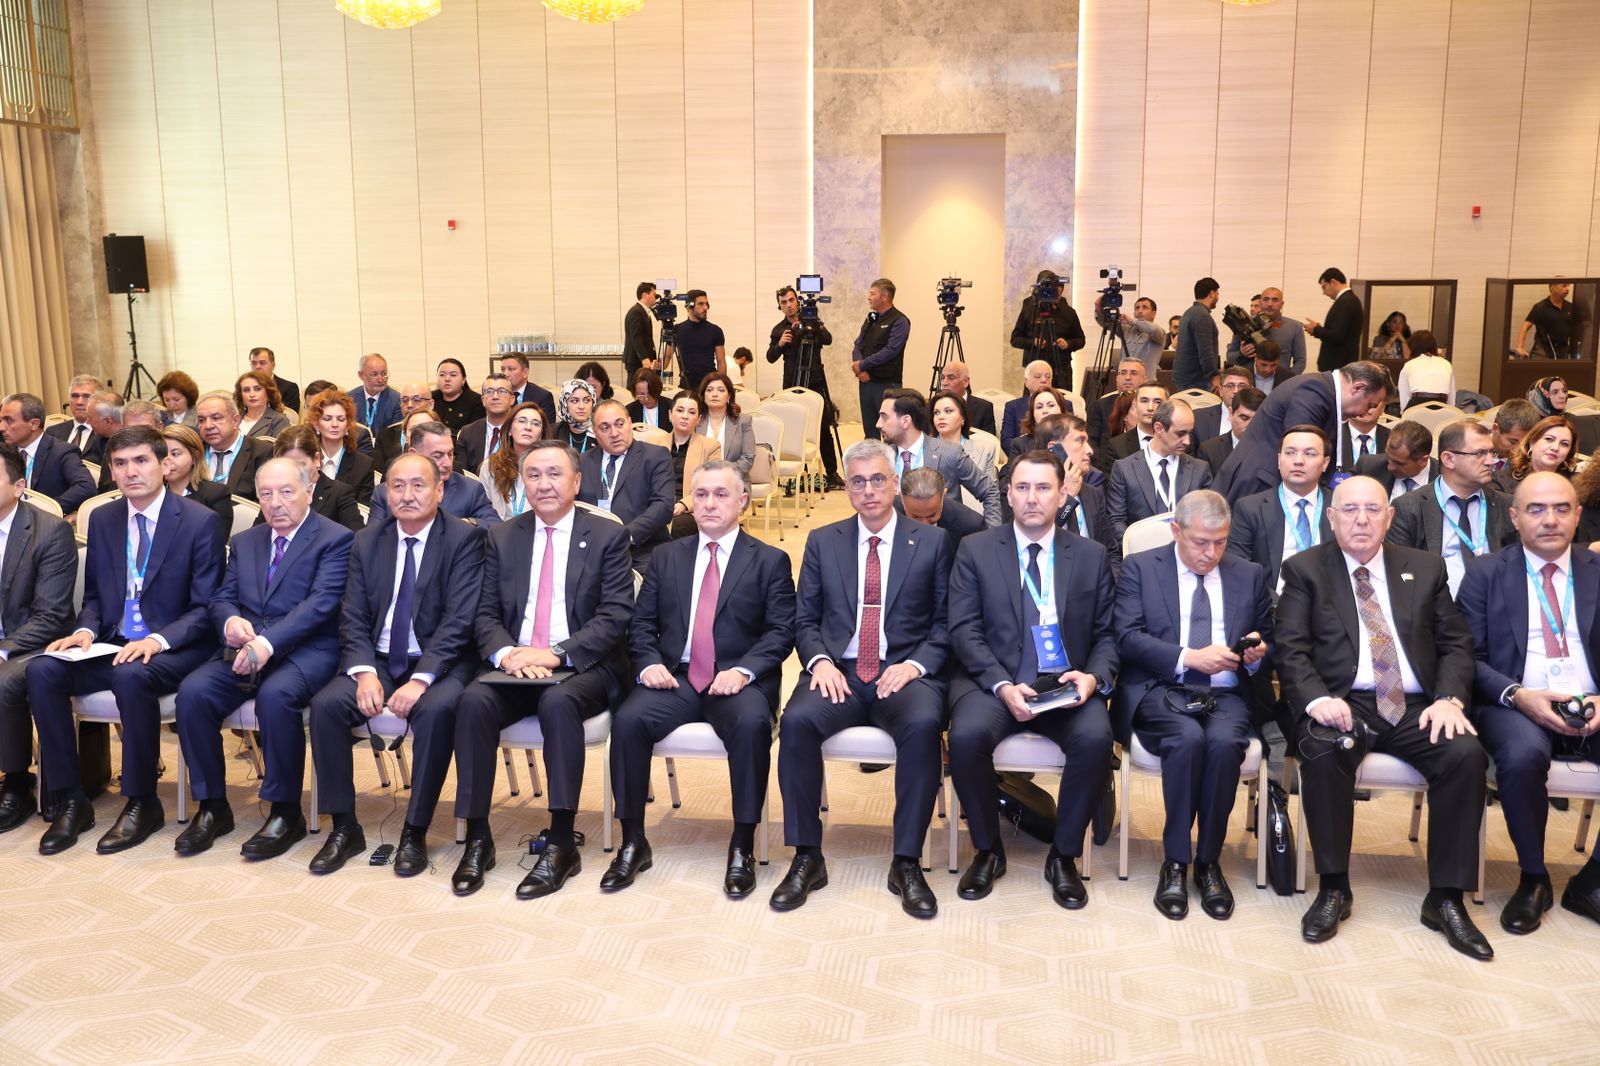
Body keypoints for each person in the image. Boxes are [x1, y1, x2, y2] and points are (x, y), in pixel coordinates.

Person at [1276, 475, 1491, 959]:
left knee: (1465, 755)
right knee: (1325, 750)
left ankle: (1446, 897)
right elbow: (1290, 649)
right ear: (1330, 517)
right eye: (1349, 510)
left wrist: (1449, 700)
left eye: (1373, 509)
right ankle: (1334, 886)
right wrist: (1315, 700)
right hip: (1343, 700)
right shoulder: (1305, 569)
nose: (1361, 519)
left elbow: (1457, 644)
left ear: (1389, 516)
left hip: (1418, 706)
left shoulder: (1425, 567)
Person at [25, 427, 223, 855]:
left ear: (164, 465)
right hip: (115, 642)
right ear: (111, 471)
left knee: (131, 675)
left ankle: (141, 800)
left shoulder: (199, 521)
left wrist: (157, 639)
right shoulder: (105, 518)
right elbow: (95, 595)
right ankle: (70, 799)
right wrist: (85, 631)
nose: (131, 471)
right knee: (42, 669)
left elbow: (205, 608)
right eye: (120, 463)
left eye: (141, 461)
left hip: (175, 648)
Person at [774, 440, 951, 917]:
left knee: (921, 727)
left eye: (878, 480)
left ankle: (907, 860)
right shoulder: (822, 540)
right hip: (842, 670)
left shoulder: (932, 542)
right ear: (847, 488)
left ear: (895, 483)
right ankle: (807, 856)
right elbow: (804, 621)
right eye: (857, 481)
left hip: (904, 671)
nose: (869, 490)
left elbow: (946, 624)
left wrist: (914, 666)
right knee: (796, 724)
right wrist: (820, 663)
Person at [451, 441, 634, 899]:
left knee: (558, 701)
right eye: (534, 475)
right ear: (522, 484)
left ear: (576, 482)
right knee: (472, 701)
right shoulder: (503, 536)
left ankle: (560, 840)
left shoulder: (608, 535)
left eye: (555, 474)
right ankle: (477, 836)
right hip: (516, 664)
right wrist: (508, 655)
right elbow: (485, 613)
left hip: (580, 665)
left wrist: (554, 654)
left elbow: (614, 616)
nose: (544, 484)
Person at [606, 461, 795, 896]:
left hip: (737, 680)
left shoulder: (769, 560)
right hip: (677, 676)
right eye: (702, 494)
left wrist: (744, 670)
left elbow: (781, 632)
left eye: (721, 494)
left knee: (750, 727)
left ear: (743, 502)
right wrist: (648, 662)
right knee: (630, 722)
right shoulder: (667, 557)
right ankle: (633, 841)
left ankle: (742, 843)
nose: (709, 503)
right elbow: (641, 624)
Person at [947, 448, 1118, 909]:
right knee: (964, 739)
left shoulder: (1091, 555)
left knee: (1096, 740)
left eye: (1043, 487)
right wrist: (1002, 684)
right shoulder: (976, 550)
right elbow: (964, 630)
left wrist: (1094, 678)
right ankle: (987, 849)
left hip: (1065, 685)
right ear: (1007, 494)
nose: (1032, 498)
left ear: (1063, 494)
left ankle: (1063, 854)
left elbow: (1107, 634)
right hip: (995, 682)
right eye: (1022, 487)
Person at [305, 452, 486, 877]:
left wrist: (421, 680)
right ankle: (345, 826)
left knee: (438, 711)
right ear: (385, 491)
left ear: (440, 490)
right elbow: (350, 616)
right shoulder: (368, 540)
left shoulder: (463, 539)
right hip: (380, 658)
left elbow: (460, 621)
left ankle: (415, 830)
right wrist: (364, 670)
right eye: (396, 485)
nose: (406, 494)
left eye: (418, 485)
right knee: (327, 706)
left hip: (440, 662)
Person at [173, 458, 354, 860]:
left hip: (309, 650)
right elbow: (222, 597)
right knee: (193, 694)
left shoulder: (335, 538)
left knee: (276, 697)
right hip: (245, 648)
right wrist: (231, 621)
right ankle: (212, 806)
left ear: (310, 491)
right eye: (266, 494)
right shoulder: (247, 541)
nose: (276, 503)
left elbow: (321, 606)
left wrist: (267, 645)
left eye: (287, 492)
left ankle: (284, 810)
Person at [1115, 490, 1272, 920]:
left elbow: (1267, 635)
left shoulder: (1248, 573)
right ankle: (1175, 862)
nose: (1210, 552)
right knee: (1185, 739)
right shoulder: (1141, 568)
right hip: (1162, 687)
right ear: (1175, 532)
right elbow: (1127, 637)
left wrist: (1258, 652)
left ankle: (1209, 862)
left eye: (1220, 542)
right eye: (1200, 542)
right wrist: (1188, 657)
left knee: (1223, 745)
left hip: (1226, 691)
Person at [1457, 472, 1600, 933]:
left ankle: (1592, 880)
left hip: (1592, 699)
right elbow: (1465, 658)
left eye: (1562, 508)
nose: (1550, 519)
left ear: (1578, 515)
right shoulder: (1484, 573)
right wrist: (1520, 696)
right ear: (1514, 518)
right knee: (1520, 757)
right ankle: (1533, 877)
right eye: (1536, 509)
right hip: (1517, 702)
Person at [0, 444, 85, 833]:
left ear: (19, 486)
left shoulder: (49, 532)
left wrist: (3, 649)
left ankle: (16, 782)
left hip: (33, 643)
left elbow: (50, 616)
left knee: (3, 682)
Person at [1212, 360, 1391, 504]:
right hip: (1259, 485)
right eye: (1370, 404)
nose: (1365, 412)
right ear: (1358, 388)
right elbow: (1301, 451)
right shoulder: (1313, 391)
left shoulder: (1322, 388)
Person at [1387, 419, 1516, 597]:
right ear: (1448, 459)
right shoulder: (1409, 507)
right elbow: (1400, 576)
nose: (1490, 461)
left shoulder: (1506, 505)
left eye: (1491, 452)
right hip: (1435, 612)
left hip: (1495, 608)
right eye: (1480, 453)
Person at [1226, 425, 1335, 596]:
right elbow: (1239, 570)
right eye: (1290, 452)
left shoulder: (1341, 507)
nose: (1298, 461)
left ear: (1325, 463)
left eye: (1310, 453)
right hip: (1273, 608)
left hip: (1329, 609)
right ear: (1278, 460)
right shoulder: (1250, 508)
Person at [876, 389, 1001, 526]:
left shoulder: (949, 454)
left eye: (884, 417)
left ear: (906, 421)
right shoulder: (882, 459)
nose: (878, 424)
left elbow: (990, 491)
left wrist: (991, 536)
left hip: (943, 542)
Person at [578, 399, 676, 570]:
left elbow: (663, 506)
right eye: (605, 428)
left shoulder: (655, 457)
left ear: (630, 423)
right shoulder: (582, 462)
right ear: (594, 432)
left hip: (642, 550)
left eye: (619, 424)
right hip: (591, 551)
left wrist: (625, 536)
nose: (614, 433)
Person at [1107, 398, 1213, 546]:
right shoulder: (1125, 468)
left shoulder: (1199, 469)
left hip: (1187, 556)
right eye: (1180, 434)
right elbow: (1116, 521)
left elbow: (1208, 518)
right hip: (1142, 557)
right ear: (1158, 428)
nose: (1187, 441)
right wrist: (1141, 549)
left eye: (1189, 433)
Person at [768, 284, 842, 486]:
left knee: (823, 429)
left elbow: (828, 340)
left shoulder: (812, 322)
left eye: (791, 300)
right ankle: (798, 476)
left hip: (816, 382)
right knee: (794, 430)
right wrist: (780, 344)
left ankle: (832, 473)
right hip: (792, 384)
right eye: (784, 302)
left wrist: (816, 327)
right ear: (780, 307)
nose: (789, 305)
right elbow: (770, 357)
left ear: (797, 301)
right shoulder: (779, 330)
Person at [368, 421, 501, 528]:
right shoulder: (384, 493)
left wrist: (467, 523)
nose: (447, 463)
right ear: (414, 453)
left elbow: (495, 526)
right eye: (438, 456)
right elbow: (372, 539)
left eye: (450, 454)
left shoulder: (470, 489)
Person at [1, 392, 97, 515]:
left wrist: (47, 509)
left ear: (34, 424)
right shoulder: (4, 452)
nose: (1, 427)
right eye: (1, 420)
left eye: (8, 421)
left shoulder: (62, 452)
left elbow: (85, 487)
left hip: (42, 525)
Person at [265, 426, 365, 533]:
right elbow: (258, 536)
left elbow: (356, 539)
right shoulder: (273, 493)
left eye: (300, 465)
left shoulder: (339, 494)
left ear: (317, 459)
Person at [851, 278, 909, 441]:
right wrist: (860, 368)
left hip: (887, 385)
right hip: (866, 383)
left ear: (884, 296)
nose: (868, 297)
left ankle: (891, 467)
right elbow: (858, 344)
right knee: (870, 432)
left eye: (872, 293)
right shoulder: (871, 318)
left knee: (891, 434)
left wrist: (862, 364)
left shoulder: (900, 321)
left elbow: (891, 350)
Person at [160, 423, 234, 547]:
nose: (167, 461)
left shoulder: (216, 495)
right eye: (162, 454)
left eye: (175, 454)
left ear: (195, 456)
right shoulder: (150, 494)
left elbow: (215, 545)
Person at [1009, 270, 1086, 388]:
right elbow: (1015, 339)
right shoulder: (1030, 308)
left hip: (1061, 371)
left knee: (1063, 403)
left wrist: (1068, 344)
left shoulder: (1068, 312)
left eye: (1057, 292)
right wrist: (1032, 342)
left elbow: (1081, 340)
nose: (1054, 296)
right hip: (1035, 371)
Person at [192, 392, 273, 504]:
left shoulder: (262, 452)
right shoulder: (193, 451)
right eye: (201, 420)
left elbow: (267, 500)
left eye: (216, 418)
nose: (208, 426)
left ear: (235, 421)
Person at [930, 390, 1000, 513]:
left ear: (963, 418)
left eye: (948, 411)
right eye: (936, 413)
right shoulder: (924, 449)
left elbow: (992, 496)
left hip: (975, 518)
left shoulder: (985, 449)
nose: (941, 416)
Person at [664, 391, 721, 539]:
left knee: (677, 526)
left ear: (698, 419)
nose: (685, 416)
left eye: (691, 412)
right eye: (680, 410)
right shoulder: (653, 443)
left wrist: (685, 504)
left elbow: (712, 485)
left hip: (692, 509)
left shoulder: (710, 446)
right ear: (670, 414)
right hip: (658, 505)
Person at [305, 388, 374, 508]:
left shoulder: (363, 465)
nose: (335, 424)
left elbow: (363, 510)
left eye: (341, 419)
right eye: (327, 419)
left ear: (348, 425)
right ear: (316, 424)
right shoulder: (304, 461)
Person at [484, 403, 549, 521]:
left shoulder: (549, 468)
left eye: (535, 424)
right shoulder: (491, 465)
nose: (528, 427)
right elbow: (483, 510)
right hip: (498, 532)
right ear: (509, 430)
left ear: (540, 436)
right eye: (522, 421)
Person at [1227, 287, 1307, 375]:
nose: (1270, 304)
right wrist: (1241, 353)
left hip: (1280, 384)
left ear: (1282, 304)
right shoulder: (1244, 324)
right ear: (1260, 303)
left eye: (1275, 300)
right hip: (1249, 383)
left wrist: (1287, 380)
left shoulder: (1294, 327)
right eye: (1266, 299)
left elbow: (1300, 361)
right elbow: (1230, 358)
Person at [1493, 414, 1578, 495]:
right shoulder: (1500, 480)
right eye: (1549, 439)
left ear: (1569, 452)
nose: (1555, 448)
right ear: (1532, 442)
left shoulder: (1576, 485)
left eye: (1564, 444)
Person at [900, 467, 985, 548]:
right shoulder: (889, 513)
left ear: (943, 495)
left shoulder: (971, 527)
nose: (924, 525)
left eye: (931, 516)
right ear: (902, 498)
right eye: (916, 517)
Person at [1095, 382, 1168, 474]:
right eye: (1144, 401)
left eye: (1157, 402)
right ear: (1135, 404)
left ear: (1168, 406)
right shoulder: (1117, 445)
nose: (1150, 408)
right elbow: (1111, 485)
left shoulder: (1179, 441)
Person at [1355, 420, 1438, 500]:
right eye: (1388, 457)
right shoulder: (1368, 466)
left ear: (1423, 461)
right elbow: (1342, 484)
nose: (1390, 467)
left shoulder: (1444, 478)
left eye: (1399, 463)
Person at [1302, 268, 1363, 372]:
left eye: (1324, 287)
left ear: (1333, 282)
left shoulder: (1345, 302)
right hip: (1342, 364)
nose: (1323, 292)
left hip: (1338, 365)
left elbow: (1337, 335)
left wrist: (1316, 330)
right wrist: (1319, 329)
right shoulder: (1350, 300)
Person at [459, 375, 519, 476]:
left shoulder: (521, 431)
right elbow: (463, 473)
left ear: (512, 399)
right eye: (489, 392)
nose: (495, 396)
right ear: (482, 399)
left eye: (502, 391)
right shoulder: (468, 433)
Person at [1095, 295, 1165, 379]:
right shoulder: (1127, 330)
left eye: (1145, 308)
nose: (1140, 311)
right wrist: (1098, 308)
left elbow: (1152, 329)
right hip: (1126, 382)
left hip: (1146, 384)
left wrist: (1131, 321)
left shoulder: (1159, 332)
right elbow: (1105, 323)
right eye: (1137, 308)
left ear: (1153, 314)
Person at [1198, 387, 1264, 477]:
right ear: (1231, 414)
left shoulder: (1275, 448)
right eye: (1244, 418)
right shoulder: (1209, 451)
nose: (1250, 425)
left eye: (1257, 419)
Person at [697, 372, 755, 475]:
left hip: (733, 480)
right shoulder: (696, 421)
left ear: (729, 396)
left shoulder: (743, 422)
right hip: (701, 480)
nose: (715, 394)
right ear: (704, 396)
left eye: (721, 390)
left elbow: (747, 459)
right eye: (709, 390)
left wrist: (722, 472)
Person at [372, 381, 434, 475]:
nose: (409, 405)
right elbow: (379, 475)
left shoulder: (445, 436)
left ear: (430, 404)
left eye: (416, 399)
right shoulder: (386, 435)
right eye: (404, 400)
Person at [1087, 355, 1147, 451]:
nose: (1127, 377)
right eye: (1123, 373)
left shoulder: (1152, 407)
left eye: (1134, 373)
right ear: (1116, 378)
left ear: (1144, 380)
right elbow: (1091, 442)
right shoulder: (1099, 406)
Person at [1515, 281, 1587, 360]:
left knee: (1560, 372)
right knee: (1541, 372)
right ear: (1553, 288)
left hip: (1563, 352)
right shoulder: (1540, 307)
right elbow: (1525, 326)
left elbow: (1581, 327)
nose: (1567, 289)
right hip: (1542, 352)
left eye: (1568, 286)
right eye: (1564, 286)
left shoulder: (1571, 307)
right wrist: (1520, 347)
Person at [1174, 278, 1221, 392]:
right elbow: (1206, 351)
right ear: (1211, 293)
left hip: (1186, 379)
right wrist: (1214, 375)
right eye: (1217, 294)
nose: (1218, 297)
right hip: (1197, 381)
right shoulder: (1202, 316)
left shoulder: (1189, 313)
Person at [1190, 365, 1253, 449]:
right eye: (1230, 386)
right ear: (1220, 390)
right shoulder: (1198, 418)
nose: (1236, 391)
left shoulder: (1260, 419)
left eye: (1242, 386)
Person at [674, 290, 726, 392]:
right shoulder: (677, 330)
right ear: (690, 306)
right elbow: (665, 359)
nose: (705, 308)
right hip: (686, 386)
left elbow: (721, 362)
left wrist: (722, 386)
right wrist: (656, 364)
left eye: (706, 304)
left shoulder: (715, 330)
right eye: (701, 304)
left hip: (709, 386)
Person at [45, 374, 107, 457]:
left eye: (86, 397)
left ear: (100, 401)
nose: (79, 402)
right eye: (75, 396)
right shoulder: (53, 432)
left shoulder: (105, 433)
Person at [304, 381, 373, 454]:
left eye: (341, 419)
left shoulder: (360, 436)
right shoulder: (301, 437)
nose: (335, 424)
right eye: (309, 408)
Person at [1000, 360, 1057, 447]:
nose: (1044, 380)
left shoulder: (1065, 404)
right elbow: (1006, 440)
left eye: (1048, 377)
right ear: (1026, 382)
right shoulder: (1013, 406)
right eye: (1038, 377)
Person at [1396, 330, 1455, 410]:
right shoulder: (1446, 364)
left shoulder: (1409, 365)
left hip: (1416, 407)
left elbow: (1404, 399)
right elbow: (1451, 398)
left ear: (1413, 348)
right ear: (1434, 346)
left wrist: (1404, 414)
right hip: (1442, 405)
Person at [1008, 385, 1070, 459]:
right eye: (1039, 407)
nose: (1045, 411)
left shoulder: (1076, 440)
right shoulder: (1019, 445)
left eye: (1051, 405)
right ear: (1033, 415)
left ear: (1062, 411)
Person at [937, 360, 997, 437]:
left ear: (965, 381)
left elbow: (990, 442)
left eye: (951, 378)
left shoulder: (984, 408)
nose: (944, 383)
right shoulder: (933, 406)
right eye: (942, 378)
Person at [499, 353, 558, 427]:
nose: (505, 374)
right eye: (503, 369)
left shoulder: (543, 396)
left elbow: (548, 428)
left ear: (525, 373)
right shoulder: (497, 395)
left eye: (511, 369)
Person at [431, 358, 485, 434]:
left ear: (463, 380)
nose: (447, 379)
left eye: (453, 375)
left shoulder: (477, 402)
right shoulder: (430, 398)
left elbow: (475, 433)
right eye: (442, 375)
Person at [235, 372, 293, 441]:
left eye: (257, 389)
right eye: (246, 390)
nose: (252, 394)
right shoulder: (233, 419)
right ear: (240, 395)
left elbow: (281, 450)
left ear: (268, 393)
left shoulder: (279, 420)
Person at [352, 353, 401, 433]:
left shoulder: (397, 400)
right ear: (361, 375)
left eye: (384, 374)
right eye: (374, 375)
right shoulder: (350, 398)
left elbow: (396, 434)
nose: (380, 380)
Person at [1335, 402, 1389, 475]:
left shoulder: (1394, 438)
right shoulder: (1332, 435)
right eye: (1360, 400)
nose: (1365, 407)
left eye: (1373, 402)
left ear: (1383, 408)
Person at [1491, 399, 1541, 473]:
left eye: (1525, 444)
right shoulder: (1472, 449)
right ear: (1495, 429)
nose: (1519, 450)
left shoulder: (1530, 462)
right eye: (1513, 442)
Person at [552, 379, 598, 455]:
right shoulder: (553, 432)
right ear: (565, 404)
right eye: (575, 401)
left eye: (587, 400)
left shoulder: (600, 431)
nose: (582, 406)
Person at [623, 281, 659, 379]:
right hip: (637, 361)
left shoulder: (644, 311)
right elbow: (636, 337)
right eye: (654, 294)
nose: (656, 298)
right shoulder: (636, 312)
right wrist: (644, 359)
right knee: (634, 389)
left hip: (643, 361)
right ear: (645, 295)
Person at [250, 347, 300, 415]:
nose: (257, 367)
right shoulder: (245, 389)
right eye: (254, 363)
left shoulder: (289, 388)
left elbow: (291, 418)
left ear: (273, 365)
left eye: (262, 363)